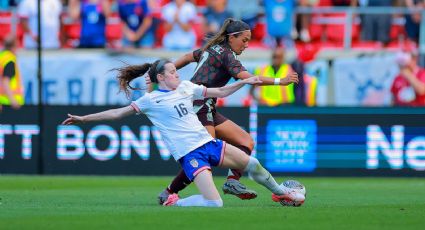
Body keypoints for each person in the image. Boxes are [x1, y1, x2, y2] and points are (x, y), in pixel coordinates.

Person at [61, 59, 305, 207]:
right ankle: (173, 202)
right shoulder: (150, 100)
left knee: (252, 164)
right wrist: (84, 118)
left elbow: (219, 93)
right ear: (161, 77)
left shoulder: (187, 88)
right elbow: (117, 114)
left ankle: (283, 194)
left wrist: (244, 82)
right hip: (190, 155)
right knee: (214, 203)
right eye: (174, 73)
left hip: (209, 144)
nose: (178, 75)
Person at [151, 18, 299, 204]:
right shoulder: (227, 55)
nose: (246, 45)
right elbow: (249, 78)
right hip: (199, 106)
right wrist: (280, 81)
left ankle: (231, 181)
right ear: (232, 37)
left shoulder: (212, 49)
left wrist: (165, 73)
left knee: (246, 141)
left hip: (208, 106)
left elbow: (188, 57)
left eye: (249, 40)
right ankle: (170, 191)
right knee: (204, 155)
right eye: (244, 40)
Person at [0, 35, 24, 112]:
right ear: (14, 46)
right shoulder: (9, 60)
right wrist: (12, 100)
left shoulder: (2, 56)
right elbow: (6, 81)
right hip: (8, 103)